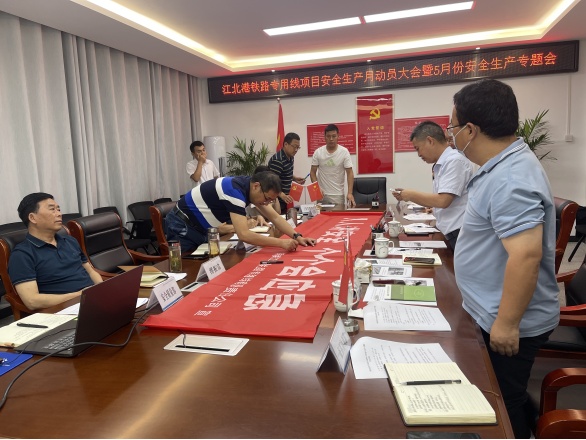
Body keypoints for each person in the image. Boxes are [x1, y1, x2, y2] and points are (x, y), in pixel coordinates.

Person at [451, 79, 560, 438]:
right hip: (490, 307)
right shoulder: (501, 166)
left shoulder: (510, 177)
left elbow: (526, 255)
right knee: (501, 392)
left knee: (502, 402)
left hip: (507, 319)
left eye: (453, 128)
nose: (452, 136)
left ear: (470, 130)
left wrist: (507, 324)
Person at [166, 171, 316, 253]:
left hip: (202, 229)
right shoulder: (234, 192)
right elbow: (244, 234)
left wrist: (297, 236)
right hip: (183, 226)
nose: (266, 203)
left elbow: (275, 217)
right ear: (256, 186)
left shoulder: (249, 187)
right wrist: (281, 243)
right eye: (267, 199)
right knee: (187, 270)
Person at [8, 193, 102, 310]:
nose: (59, 214)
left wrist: (102, 290)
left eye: (58, 209)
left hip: (91, 300)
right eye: (52, 209)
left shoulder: (70, 241)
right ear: (32, 218)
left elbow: (91, 271)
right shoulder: (22, 255)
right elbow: (32, 301)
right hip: (62, 309)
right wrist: (80, 295)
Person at [391, 121, 473, 250]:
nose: (419, 154)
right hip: (448, 230)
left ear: (430, 141)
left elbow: (443, 201)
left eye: (418, 148)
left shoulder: (454, 161)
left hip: (458, 232)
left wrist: (410, 195)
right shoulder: (441, 163)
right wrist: (434, 208)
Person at [310, 124, 355, 207]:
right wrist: (317, 188)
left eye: (334, 136)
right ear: (324, 137)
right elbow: (312, 172)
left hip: (338, 195)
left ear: (338, 136)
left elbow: (350, 173)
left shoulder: (344, 152)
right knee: (321, 215)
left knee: (338, 215)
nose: (331, 139)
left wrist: (350, 193)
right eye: (328, 136)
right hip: (321, 194)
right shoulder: (318, 152)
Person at [268, 132, 307, 213]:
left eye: (298, 147)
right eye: (294, 147)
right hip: (276, 200)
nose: (296, 150)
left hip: (284, 199)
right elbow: (271, 182)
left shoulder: (290, 157)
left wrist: (295, 178)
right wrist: (281, 194)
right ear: (286, 144)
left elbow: (283, 173)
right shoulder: (278, 160)